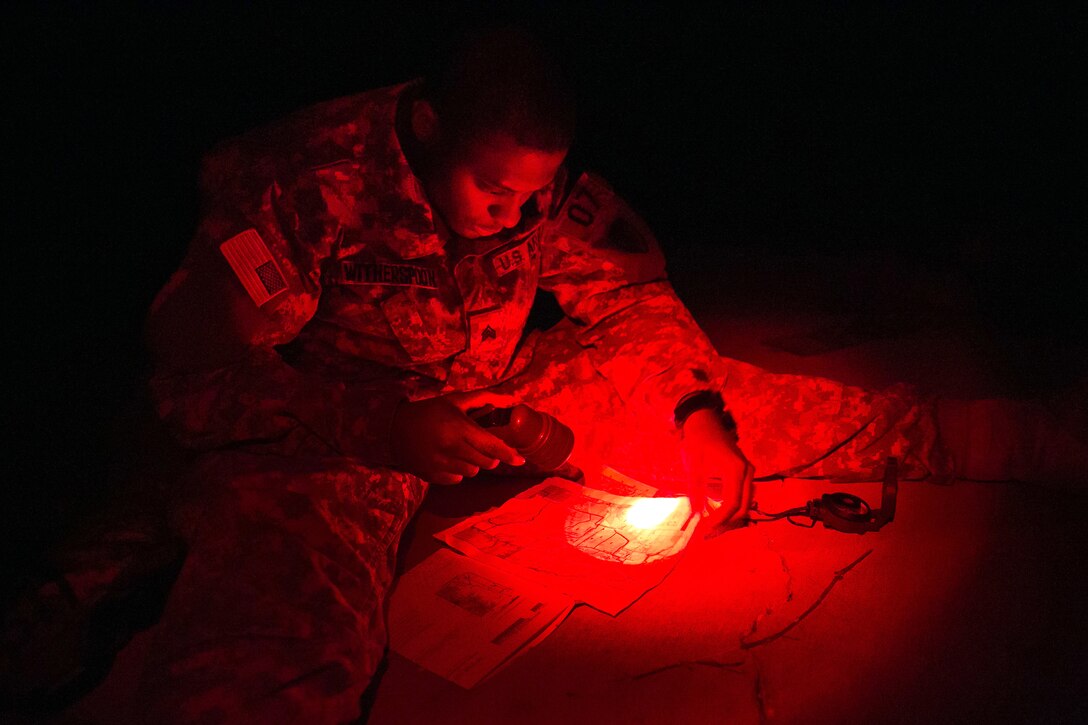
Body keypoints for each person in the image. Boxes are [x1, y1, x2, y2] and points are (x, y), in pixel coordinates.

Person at [64, 26, 1085, 724]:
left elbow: (630, 299)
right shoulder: (298, 179)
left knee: (720, 408)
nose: (517, 216)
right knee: (276, 643)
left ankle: (1019, 436)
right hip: (328, 434)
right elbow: (195, 381)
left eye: (533, 196)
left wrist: (693, 413)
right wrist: (374, 425)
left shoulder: (533, 183)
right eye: (495, 191)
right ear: (425, 130)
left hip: (499, 387)